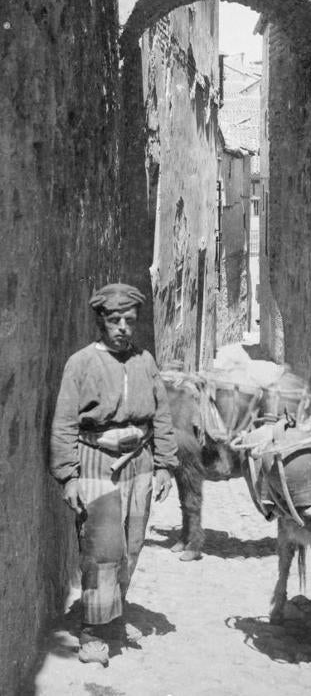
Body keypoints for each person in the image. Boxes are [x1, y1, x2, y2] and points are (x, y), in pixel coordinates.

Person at [50, 283, 179, 667]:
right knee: (102, 550)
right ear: (101, 321)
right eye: (114, 319)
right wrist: (68, 476)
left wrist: (165, 465)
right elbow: (64, 424)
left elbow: (162, 415)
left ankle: (114, 619)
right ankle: (93, 632)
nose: (122, 327)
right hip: (95, 464)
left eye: (129, 320)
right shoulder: (81, 363)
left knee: (130, 548)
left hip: (139, 464)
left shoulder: (145, 361)